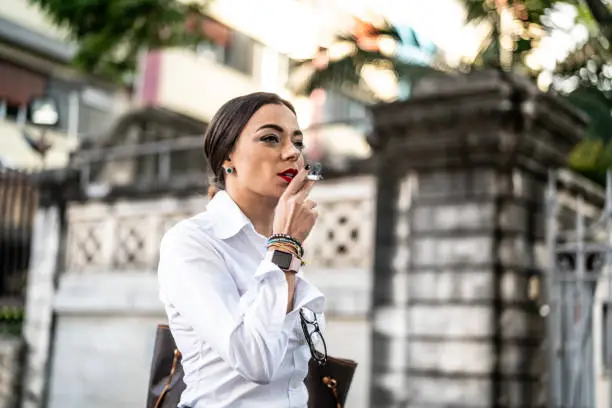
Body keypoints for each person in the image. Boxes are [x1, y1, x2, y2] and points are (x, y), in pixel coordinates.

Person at [157, 92, 325, 408]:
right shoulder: (191, 242)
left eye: (297, 142)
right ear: (227, 156)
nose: (291, 153)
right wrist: (286, 246)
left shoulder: (278, 243)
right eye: (271, 138)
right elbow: (255, 361)